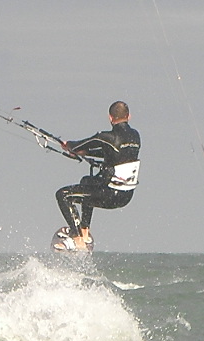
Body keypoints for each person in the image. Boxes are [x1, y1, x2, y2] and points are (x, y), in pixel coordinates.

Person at [54, 101, 140, 250]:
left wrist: (69, 146)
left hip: (109, 195)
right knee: (87, 181)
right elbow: (113, 153)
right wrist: (86, 153)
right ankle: (85, 232)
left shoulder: (106, 137)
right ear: (129, 116)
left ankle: (77, 239)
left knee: (63, 195)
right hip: (126, 196)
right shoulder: (135, 136)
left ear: (110, 117)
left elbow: (78, 145)